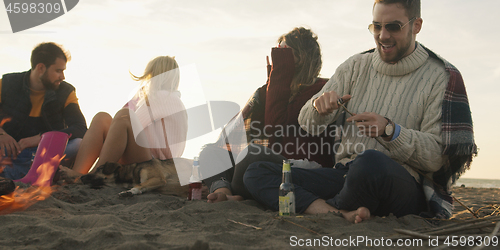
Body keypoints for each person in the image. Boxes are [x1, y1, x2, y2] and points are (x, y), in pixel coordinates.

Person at [244, 0, 477, 223]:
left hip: (398, 183)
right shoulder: (355, 65)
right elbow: (307, 122)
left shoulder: (439, 76)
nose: (383, 36)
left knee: (370, 163)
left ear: (416, 26)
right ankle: (333, 212)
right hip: (344, 175)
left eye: (393, 27)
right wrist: (319, 108)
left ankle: (327, 205)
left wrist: (390, 131)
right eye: (376, 26)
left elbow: (436, 157)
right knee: (256, 172)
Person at [202, 27, 339, 203]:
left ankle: (237, 195)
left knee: (251, 154)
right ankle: (224, 193)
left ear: (300, 57)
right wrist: (272, 83)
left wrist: (278, 77)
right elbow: (252, 128)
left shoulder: (320, 89)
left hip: (301, 166)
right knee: (210, 152)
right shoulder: (275, 89)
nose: (277, 56)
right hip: (269, 161)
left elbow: (275, 128)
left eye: (283, 52)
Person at [60, 55, 188, 180]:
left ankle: (92, 175)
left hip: (156, 166)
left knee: (123, 116)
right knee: (102, 118)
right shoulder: (173, 100)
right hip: (153, 162)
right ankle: (77, 174)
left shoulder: (162, 97)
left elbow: (131, 123)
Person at [0, 42, 87, 180]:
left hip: (45, 155)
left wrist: (41, 138)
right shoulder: (6, 84)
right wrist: (2, 134)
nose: (62, 77)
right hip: (9, 152)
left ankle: (39, 173)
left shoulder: (66, 92)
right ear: (40, 67)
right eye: (58, 71)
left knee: (78, 144)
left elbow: (80, 128)